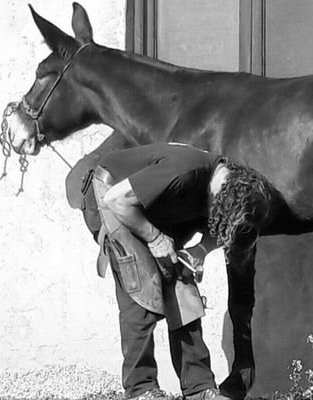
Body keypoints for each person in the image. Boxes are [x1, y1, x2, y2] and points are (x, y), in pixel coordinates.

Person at [80, 142, 276, 400]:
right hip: (110, 197)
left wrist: (200, 251)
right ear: (223, 202)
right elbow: (116, 200)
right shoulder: (182, 174)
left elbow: (225, 227)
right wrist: (155, 238)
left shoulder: (227, 188)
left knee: (183, 289)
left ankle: (199, 388)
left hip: (151, 210)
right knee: (143, 288)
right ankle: (141, 389)